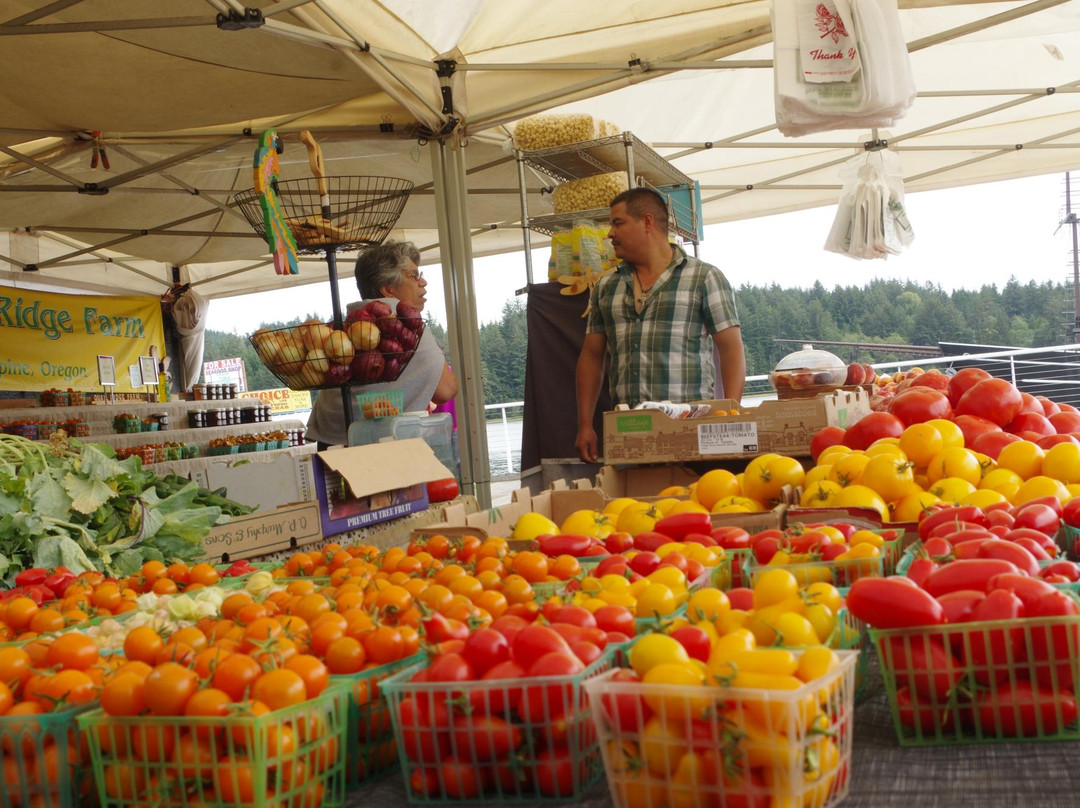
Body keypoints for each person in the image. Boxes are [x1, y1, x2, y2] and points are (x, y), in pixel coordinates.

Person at [575, 188, 746, 462]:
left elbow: (731, 349)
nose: (610, 233)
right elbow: (591, 357)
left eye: (618, 223)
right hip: (628, 433)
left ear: (647, 222)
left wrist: (733, 413)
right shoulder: (606, 287)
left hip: (690, 430)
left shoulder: (704, 277)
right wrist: (585, 425)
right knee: (631, 506)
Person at [305, 241, 458, 449]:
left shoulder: (345, 325)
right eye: (413, 275)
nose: (423, 282)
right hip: (382, 449)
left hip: (327, 441)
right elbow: (446, 390)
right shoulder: (404, 323)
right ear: (388, 290)